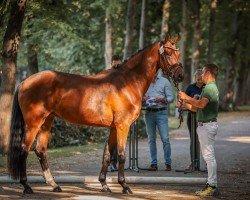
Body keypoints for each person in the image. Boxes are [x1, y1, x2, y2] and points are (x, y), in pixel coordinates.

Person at [178, 64, 220, 196]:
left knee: (209, 156)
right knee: (208, 156)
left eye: (202, 72)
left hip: (207, 126)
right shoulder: (209, 88)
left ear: (207, 73)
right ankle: (211, 184)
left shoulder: (209, 88)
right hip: (205, 125)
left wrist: (186, 97)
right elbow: (196, 108)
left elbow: (200, 104)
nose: (201, 75)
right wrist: (184, 104)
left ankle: (212, 186)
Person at [143, 70, 174, 171]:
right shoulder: (144, 82)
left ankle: (168, 163)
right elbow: (139, 96)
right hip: (148, 113)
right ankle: (154, 164)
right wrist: (144, 98)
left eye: (155, 70)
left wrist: (162, 99)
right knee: (151, 139)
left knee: (165, 139)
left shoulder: (164, 81)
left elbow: (171, 98)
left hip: (161, 113)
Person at [104, 55, 122, 172]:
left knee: (118, 139)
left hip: (120, 110)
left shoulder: (123, 76)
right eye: (114, 65)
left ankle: (114, 162)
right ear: (111, 64)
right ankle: (109, 161)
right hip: (108, 110)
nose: (116, 67)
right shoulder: (107, 75)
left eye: (118, 65)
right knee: (111, 139)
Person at [185, 69, 204, 170]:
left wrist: (200, 97)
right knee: (193, 140)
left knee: (202, 140)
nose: (199, 81)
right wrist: (193, 98)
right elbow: (184, 99)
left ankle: (203, 163)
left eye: (201, 79)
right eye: (197, 79)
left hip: (203, 117)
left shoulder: (207, 88)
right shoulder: (190, 87)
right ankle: (193, 162)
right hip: (191, 116)